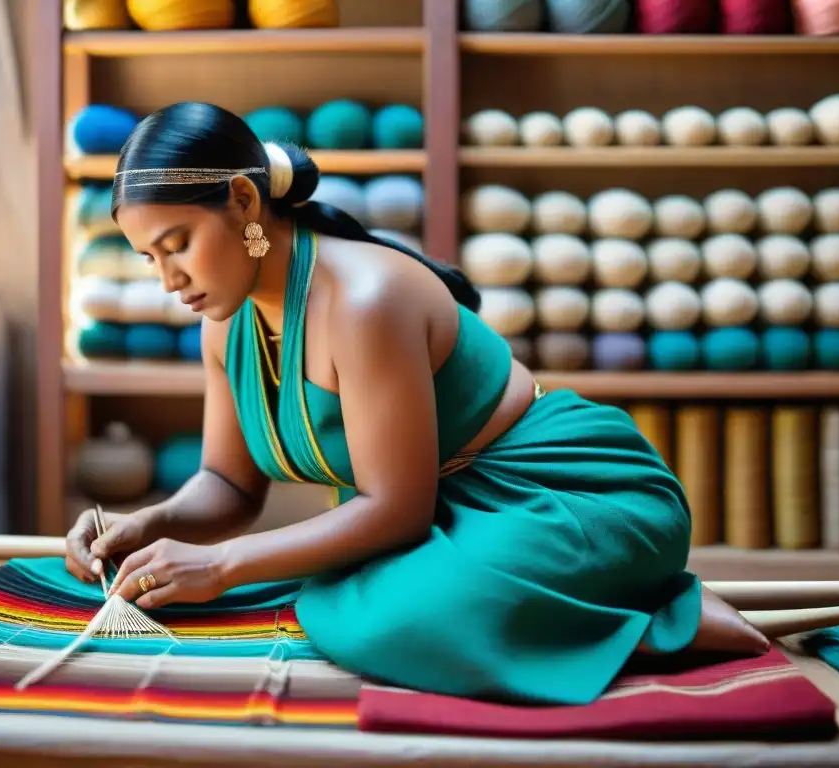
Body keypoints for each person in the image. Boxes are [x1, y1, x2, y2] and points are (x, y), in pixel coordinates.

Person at [65, 101, 769, 706]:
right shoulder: (225, 323)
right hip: (442, 518)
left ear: (245, 204)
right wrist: (149, 522)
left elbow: (395, 513)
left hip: (568, 498)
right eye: (148, 258)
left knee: (381, 617)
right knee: (339, 597)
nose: (166, 279)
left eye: (176, 245)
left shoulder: (364, 301)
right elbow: (228, 486)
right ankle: (572, 617)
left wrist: (220, 566)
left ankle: (662, 623)